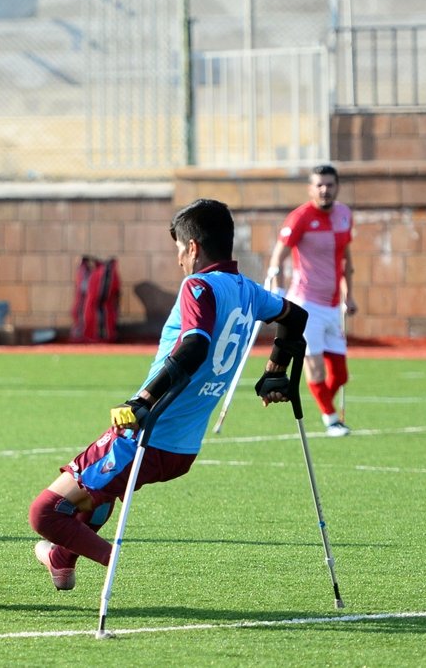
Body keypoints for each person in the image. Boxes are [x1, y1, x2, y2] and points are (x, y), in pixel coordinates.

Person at [29, 198, 307, 591]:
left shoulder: (198, 286)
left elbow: (194, 344)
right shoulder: (250, 292)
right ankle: (60, 558)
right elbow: (296, 318)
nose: (178, 259)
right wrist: (276, 371)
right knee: (97, 494)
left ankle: (109, 559)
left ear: (193, 247)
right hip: (181, 450)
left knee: (44, 514)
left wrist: (143, 400)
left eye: (179, 248)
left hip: (145, 435)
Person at [267, 164, 357, 437]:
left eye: (329, 184)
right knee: (314, 365)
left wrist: (348, 294)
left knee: (340, 375)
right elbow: (277, 258)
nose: (324, 190)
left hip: (332, 306)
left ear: (337, 186)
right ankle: (331, 419)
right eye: (319, 185)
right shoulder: (300, 218)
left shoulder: (344, 215)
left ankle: (326, 406)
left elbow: (345, 259)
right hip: (306, 304)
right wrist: (275, 289)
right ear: (311, 188)